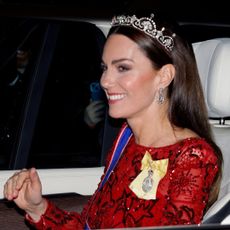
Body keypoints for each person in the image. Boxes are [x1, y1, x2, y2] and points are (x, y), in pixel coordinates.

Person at [3, 10, 223, 229]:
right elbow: (90, 225)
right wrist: (37, 207)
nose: (105, 80)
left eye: (123, 68)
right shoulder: (126, 140)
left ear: (163, 77)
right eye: (104, 68)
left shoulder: (193, 156)